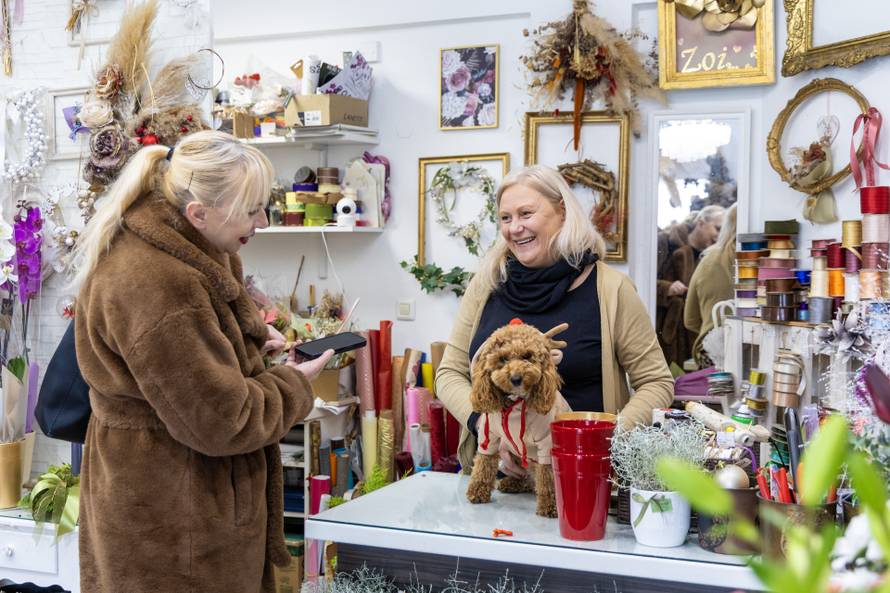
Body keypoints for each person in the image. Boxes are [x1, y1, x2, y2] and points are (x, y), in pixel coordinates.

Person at [70, 131, 334, 593]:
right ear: (199, 212)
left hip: (172, 500)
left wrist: (246, 342)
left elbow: (191, 363)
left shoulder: (187, 247)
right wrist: (294, 383)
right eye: (252, 211)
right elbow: (223, 419)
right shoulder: (158, 283)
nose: (263, 222)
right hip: (176, 519)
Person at [436, 164, 673, 479]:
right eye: (506, 218)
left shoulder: (611, 289)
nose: (514, 227)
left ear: (562, 211)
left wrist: (605, 438)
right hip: (500, 485)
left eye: (526, 214)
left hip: (583, 480)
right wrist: (486, 426)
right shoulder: (487, 284)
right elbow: (449, 373)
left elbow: (657, 382)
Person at [655, 204, 725, 369]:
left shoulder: (712, 257)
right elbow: (642, 280)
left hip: (693, 331)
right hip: (665, 329)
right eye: (717, 228)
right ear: (701, 223)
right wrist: (667, 288)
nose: (719, 236)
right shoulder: (665, 242)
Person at [684, 204, 737, 368]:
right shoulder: (767, 259)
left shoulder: (709, 259)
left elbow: (690, 319)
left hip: (713, 351)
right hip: (756, 347)